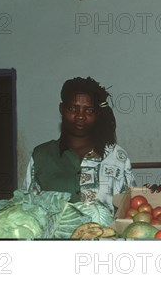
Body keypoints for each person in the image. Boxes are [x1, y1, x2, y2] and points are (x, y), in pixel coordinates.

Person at [22, 77, 135, 214]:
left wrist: (153, 195)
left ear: (97, 114)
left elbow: (131, 210)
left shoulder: (116, 157)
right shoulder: (41, 156)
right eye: (72, 108)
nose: (80, 116)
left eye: (88, 110)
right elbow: (27, 210)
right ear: (62, 109)